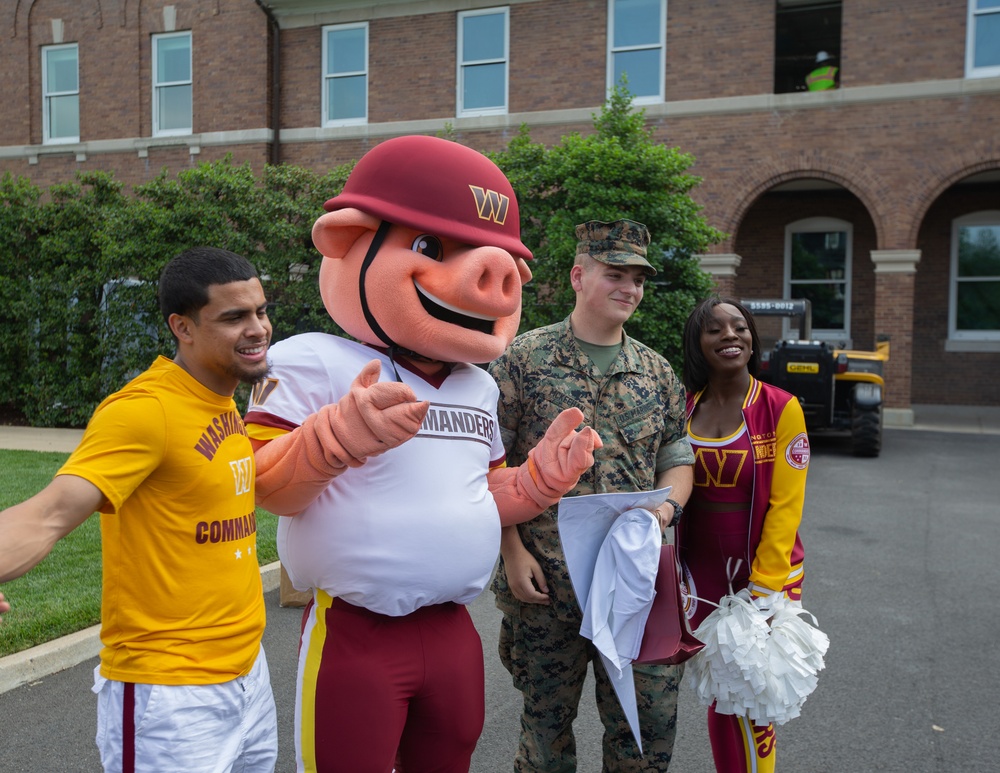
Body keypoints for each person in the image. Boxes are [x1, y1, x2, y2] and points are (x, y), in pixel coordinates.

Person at [244, 134, 600, 772]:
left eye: (498, 262)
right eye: (432, 247)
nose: (485, 278)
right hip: (357, 629)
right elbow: (259, 486)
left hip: (452, 631)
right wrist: (333, 440)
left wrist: (540, 483)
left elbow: (482, 493)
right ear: (349, 239)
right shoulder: (314, 358)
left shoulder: (479, 385)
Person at [0, 246, 278, 773]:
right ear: (183, 327)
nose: (258, 328)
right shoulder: (144, 411)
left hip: (248, 674)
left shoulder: (221, 400)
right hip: (169, 696)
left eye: (261, 311)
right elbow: (49, 513)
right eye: (234, 317)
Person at [489, 218, 696, 771]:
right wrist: (511, 549)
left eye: (638, 278)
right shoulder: (524, 361)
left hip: (633, 583)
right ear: (579, 276)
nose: (629, 288)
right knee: (545, 729)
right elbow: (489, 464)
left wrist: (665, 511)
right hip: (546, 583)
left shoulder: (655, 371)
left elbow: (678, 455)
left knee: (644, 730)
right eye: (615, 274)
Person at [678, 296, 810, 773]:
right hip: (699, 578)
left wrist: (765, 589)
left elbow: (786, 506)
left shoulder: (781, 408)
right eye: (715, 330)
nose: (730, 335)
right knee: (721, 695)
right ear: (698, 343)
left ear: (753, 338)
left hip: (760, 580)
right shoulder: (684, 406)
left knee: (751, 703)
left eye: (740, 327)